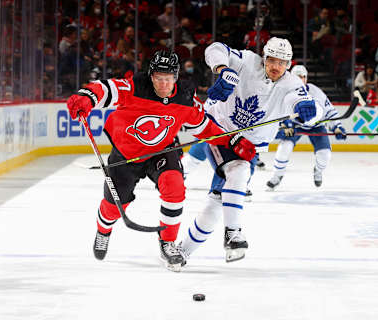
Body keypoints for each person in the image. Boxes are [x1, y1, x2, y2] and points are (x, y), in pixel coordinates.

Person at [66, 50, 256, 271]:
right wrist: (86, 97)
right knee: (114, 207)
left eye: (169, 78)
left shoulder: (185, 97)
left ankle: (168, 242)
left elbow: (204, 127)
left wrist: (232, 140)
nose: (164, 84)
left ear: (176, 76)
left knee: (174, 186)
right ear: (151, 76)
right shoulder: (135, 86)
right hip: (127, 153)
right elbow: (105, 89)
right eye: (159, 78)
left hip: (162, 150)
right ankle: (103, 230)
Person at [179, 37, 319, 264]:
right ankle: (233, 232)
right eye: (272, 60)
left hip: (248, 148)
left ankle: (182, 251)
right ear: (264, 57)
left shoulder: (292, 84)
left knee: (218, 198)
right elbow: (215, 48)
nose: (276, 67)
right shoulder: (246, 61)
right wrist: (223, 70)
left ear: (289, 64)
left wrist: (308, 111)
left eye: (282, 62)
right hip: (220, 132)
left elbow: (303, 103)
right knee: (240, 169)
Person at [266, 65, 346, 190]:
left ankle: (318, 171)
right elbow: (277, 112)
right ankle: (277, 175)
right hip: (295, 126)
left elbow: (329, 110)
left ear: (306, 78)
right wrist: (284, 125)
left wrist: (337, 127)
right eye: (297, 77)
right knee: (283, 149)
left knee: (325, 155)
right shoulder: (284, 91)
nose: (300, 80)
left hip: (316, 126)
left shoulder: (315, 91)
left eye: (303, 77)